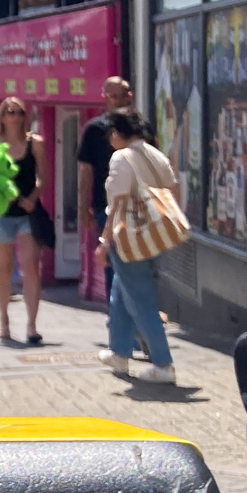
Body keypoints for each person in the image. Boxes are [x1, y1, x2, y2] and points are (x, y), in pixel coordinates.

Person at [95, 110, 178, 384]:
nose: (109, 140)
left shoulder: (122, 158)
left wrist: (104, 241)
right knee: (122, 290)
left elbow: (116, 204)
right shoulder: (155, 154)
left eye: (110, 134)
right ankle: (119, 351)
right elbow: (171, 190)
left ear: (118, 133)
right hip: (155, 235)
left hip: (129, 237)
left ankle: (163, 364)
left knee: (140, 300)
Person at [0, 96, 46, 344]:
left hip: (28, 213)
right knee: (4, 268)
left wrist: (33, 197)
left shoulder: (36, 143)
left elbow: (43, 176)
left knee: (31, 267)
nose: (14, 116)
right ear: (1, 116)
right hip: (2, 214)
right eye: (9, 112)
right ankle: (4, 322)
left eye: (18, 112)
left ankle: (32, 326)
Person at [78, 76, 137, 306]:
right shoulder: (94, 129)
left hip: (138, 208)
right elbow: (85, 170)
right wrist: (84, 207)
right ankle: (118, 323)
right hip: (106, 208)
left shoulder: (140, 127)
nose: (120, 100)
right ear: (104, 98)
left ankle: (130, 322)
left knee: (135, 266)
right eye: (114, 95)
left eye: (124, 94)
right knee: (114, 266)